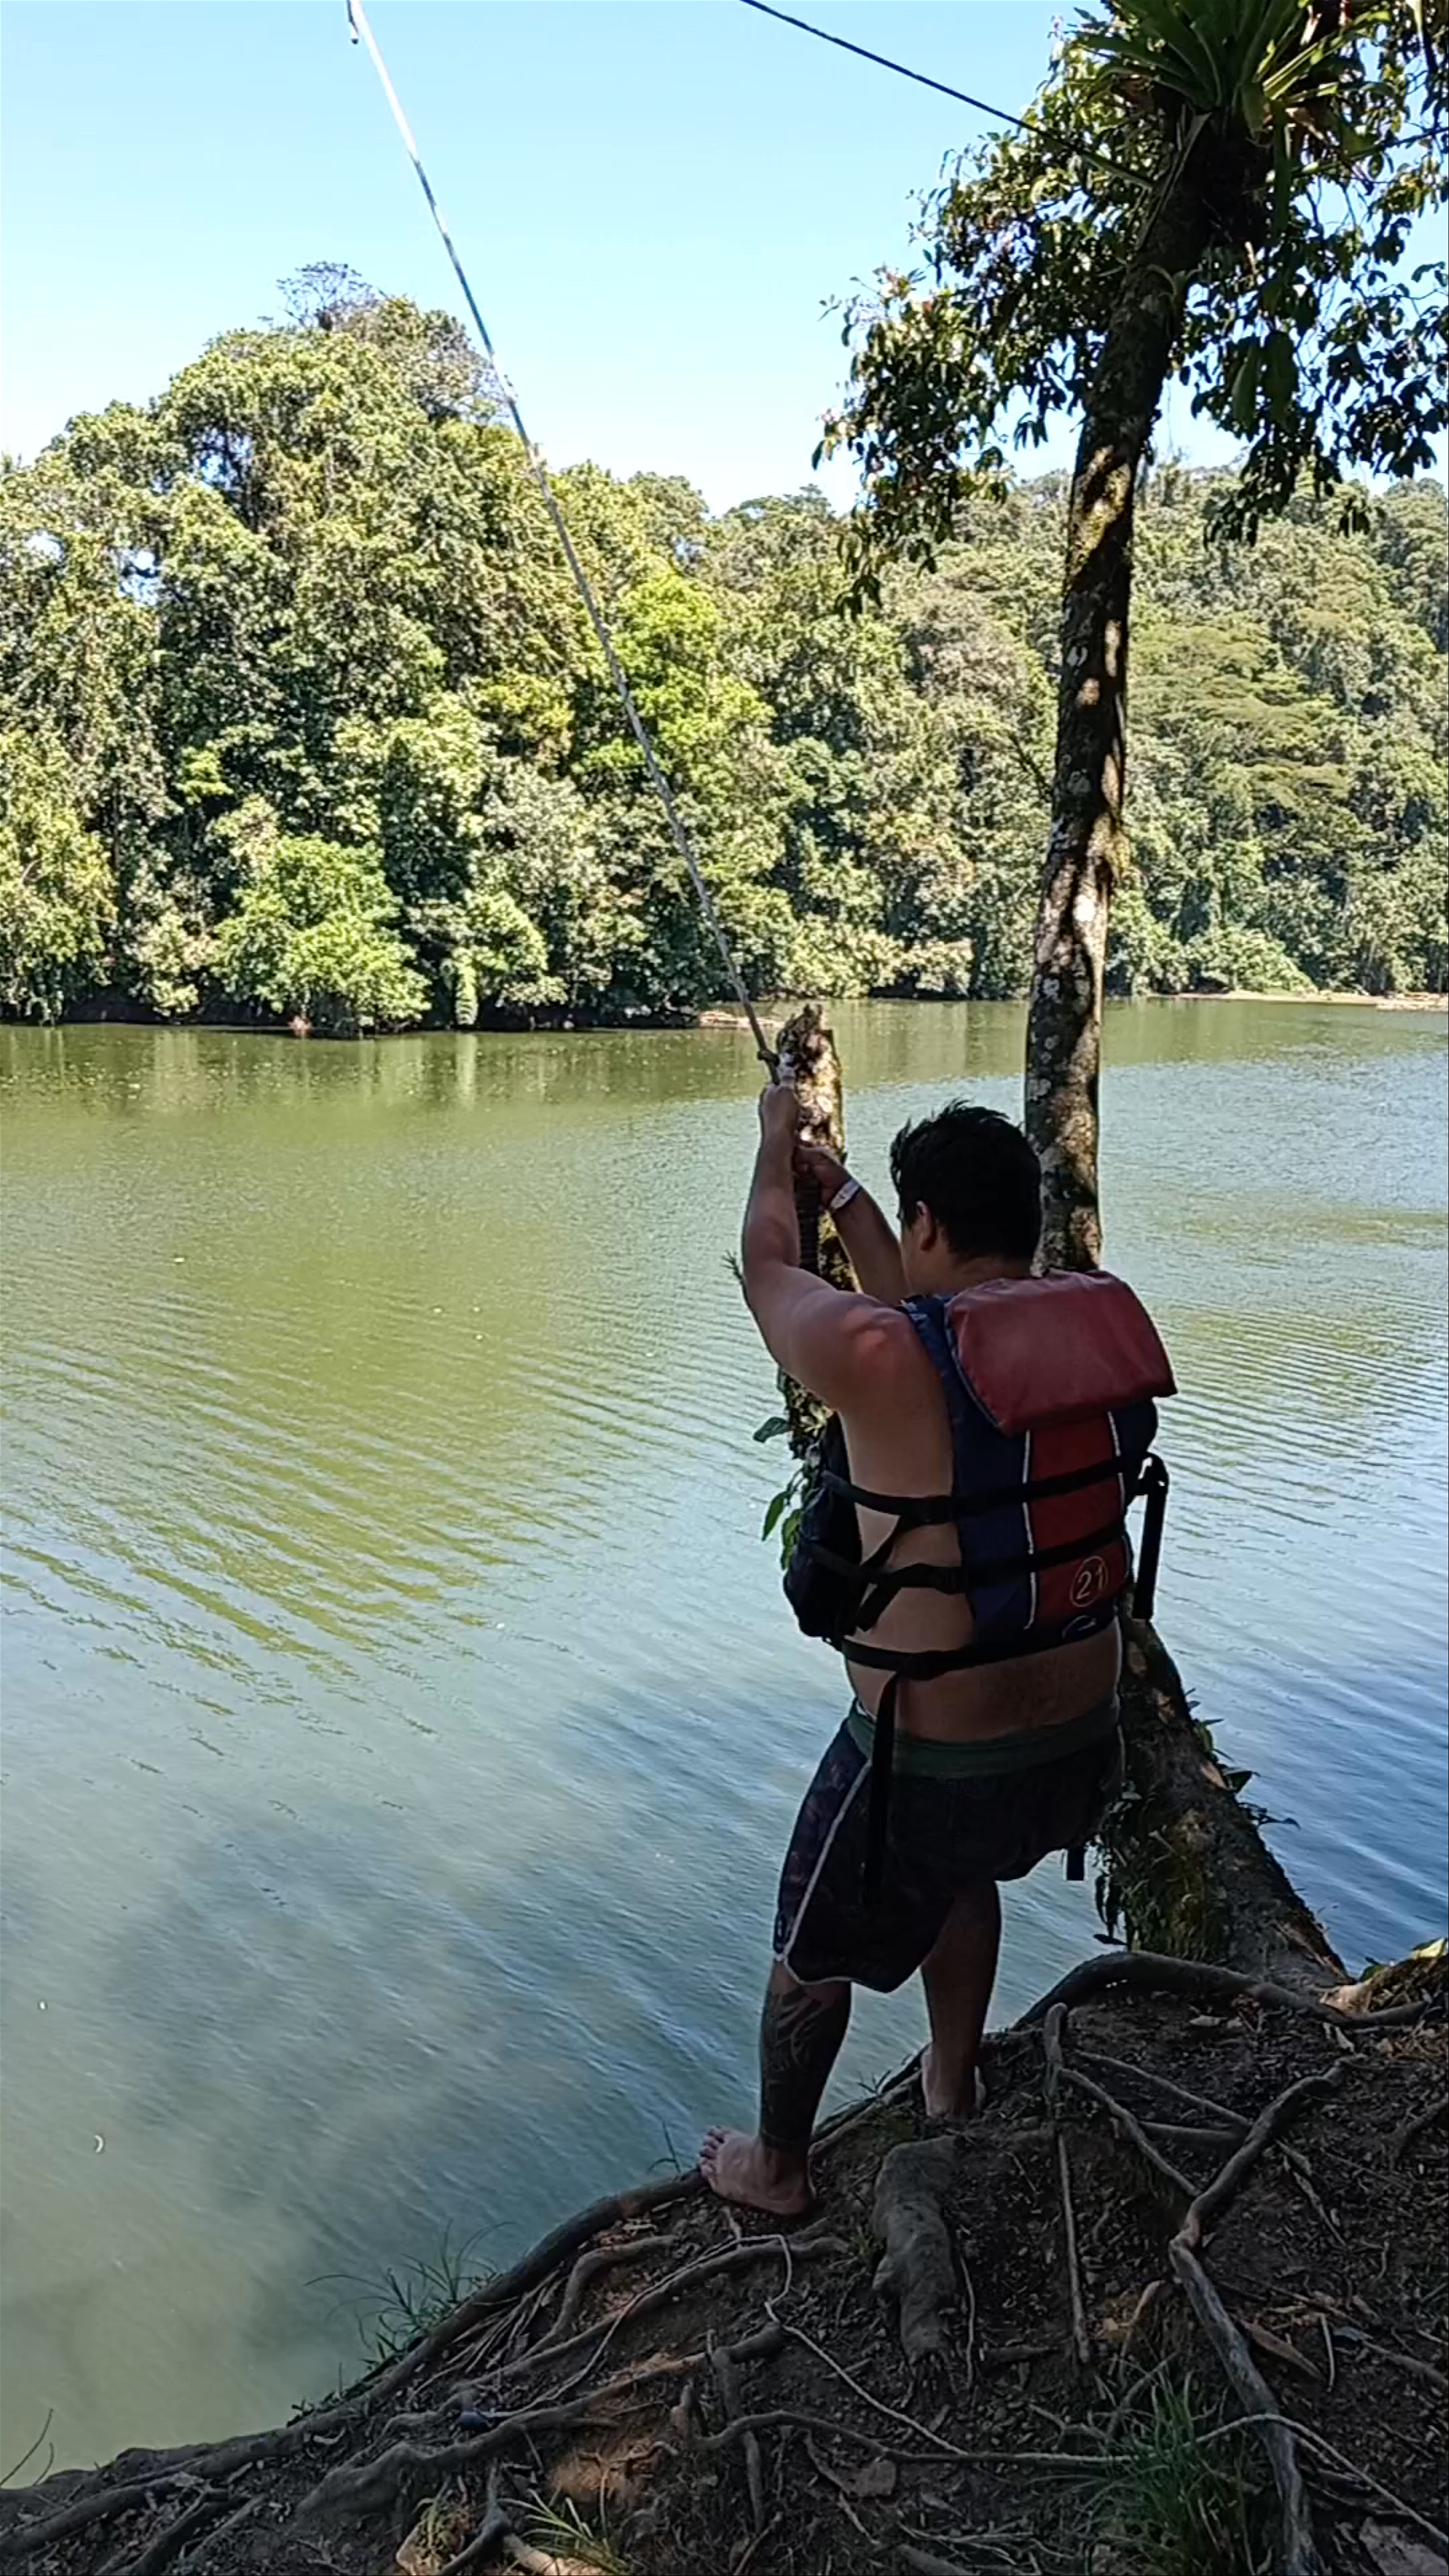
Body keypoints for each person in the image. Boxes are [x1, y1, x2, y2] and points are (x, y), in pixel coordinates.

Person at [700, 1086, 1169, 2218]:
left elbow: (769, 1272)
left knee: (808, 1947)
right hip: (1073, 1759)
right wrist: (853, 1193)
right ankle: (950, 2084)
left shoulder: (885, 1361)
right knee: (956, 1873)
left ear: (926, 1226)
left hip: (926, 1764)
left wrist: (776, 1149)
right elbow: (938, 1325)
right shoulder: (1093, 1336)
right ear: (1030, 1226)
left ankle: (779, 2169)